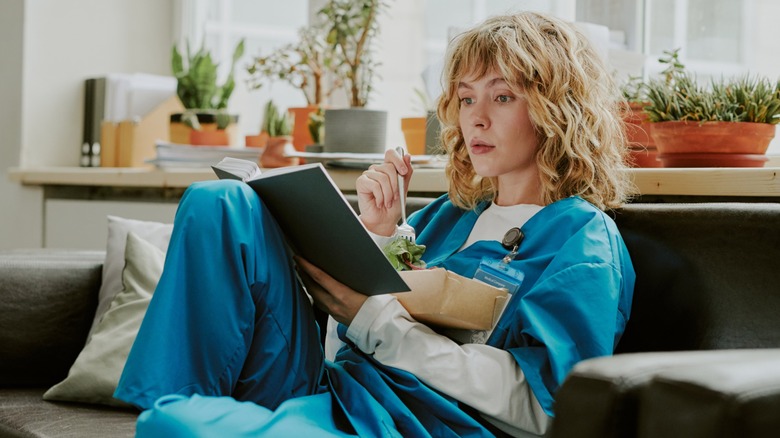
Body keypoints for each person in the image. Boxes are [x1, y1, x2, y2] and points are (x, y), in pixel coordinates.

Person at [115, 11, 636, 437]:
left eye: (502, 96)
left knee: (174, 425)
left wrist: (376, 318)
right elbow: (345, 347)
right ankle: (185, 407)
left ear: (556, 110)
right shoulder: (444, 217)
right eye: (466, 96)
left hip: (414, 423)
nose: (475, 117)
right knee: (221, 201)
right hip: (334, 389)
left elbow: (547, 411)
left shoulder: (580, 239)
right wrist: (380, 238)